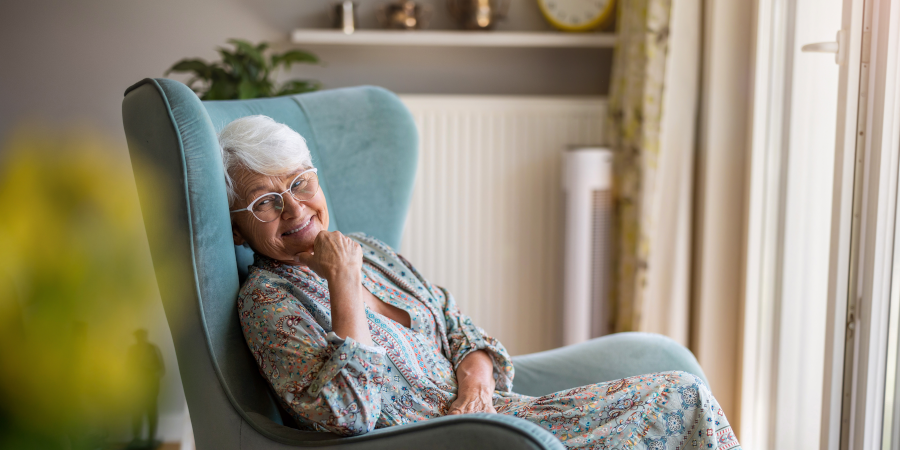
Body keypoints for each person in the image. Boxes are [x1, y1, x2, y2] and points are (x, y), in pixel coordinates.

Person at [224, 115, 741, 449]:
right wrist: (341, 282)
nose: (294, 207)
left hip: (501, 417)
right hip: (450, 442)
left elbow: (458, 324)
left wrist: (475, 385)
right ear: (238, 228)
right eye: (264, 202)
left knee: (680, 394)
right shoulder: (268, 302)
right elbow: (349, 416)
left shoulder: (369, 250)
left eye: (299, 183)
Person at [127, 329, 164, 449]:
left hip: (151, 388)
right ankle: (136, 438)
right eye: (138, 336)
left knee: (151, 413)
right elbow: (127, 368)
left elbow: (161, 369)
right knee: (136, 413)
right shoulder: (132, 350)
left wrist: (147, 366)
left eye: (142, 336)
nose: (140, 339)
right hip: (136, 388)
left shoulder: (153, 349)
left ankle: (151, 438)